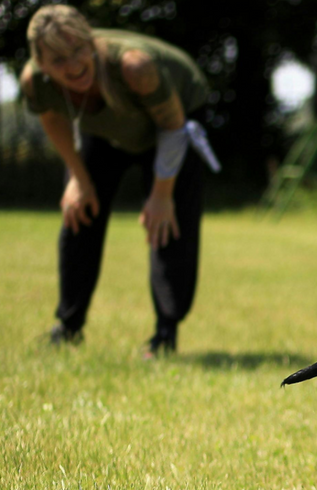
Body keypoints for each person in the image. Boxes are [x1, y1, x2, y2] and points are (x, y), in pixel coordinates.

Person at [21, 5, 220, 356]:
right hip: (107, 130)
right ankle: (68, 326)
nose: (73, 65)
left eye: (79, 50)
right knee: (78, 213)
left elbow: (173, 127)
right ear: (41, 62)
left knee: (168, 224)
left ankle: (164, 334)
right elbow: (52, 118)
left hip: (173, 123)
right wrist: (77, 178)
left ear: (91, 42)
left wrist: (161, 194)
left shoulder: (134, 67)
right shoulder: (36, 82)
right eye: (58, 60)